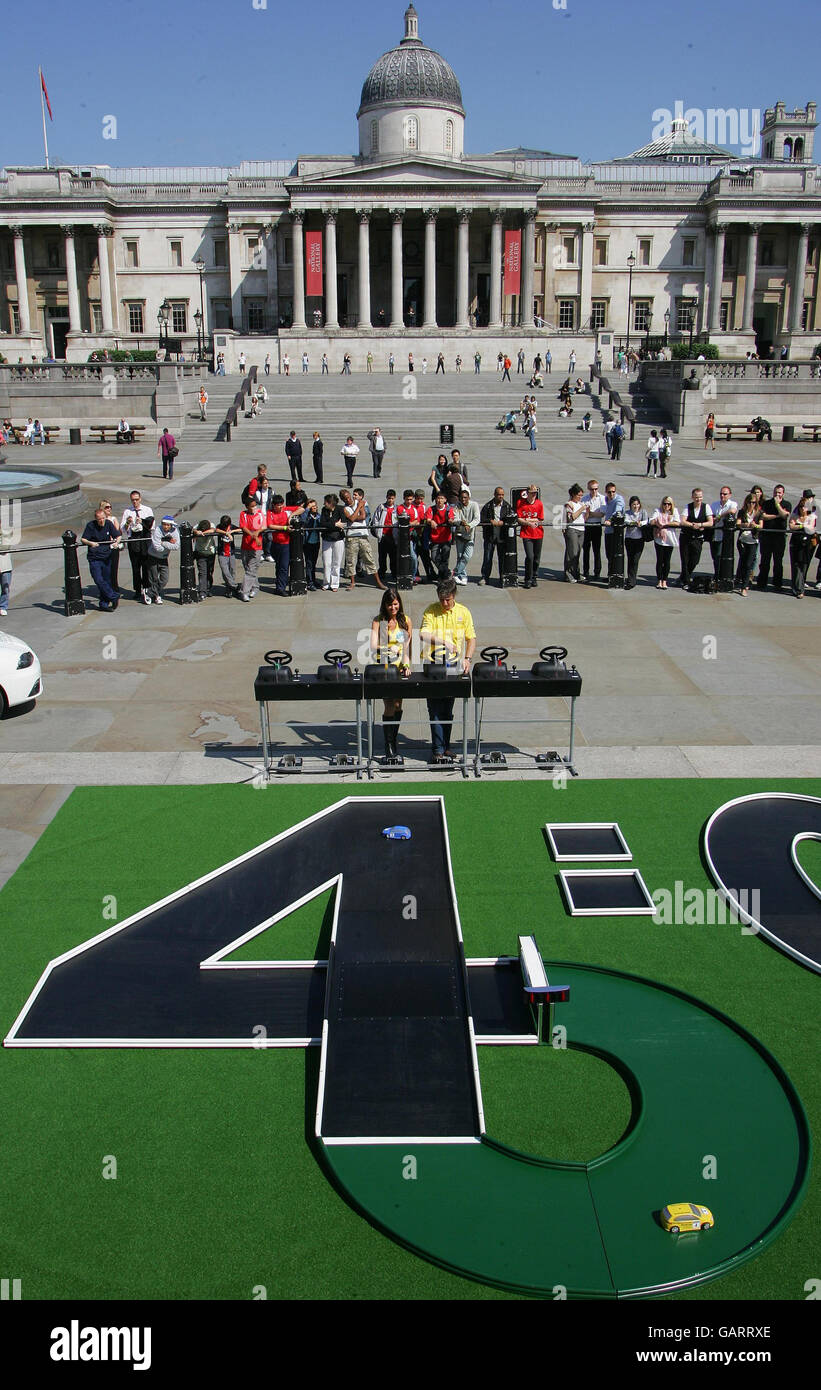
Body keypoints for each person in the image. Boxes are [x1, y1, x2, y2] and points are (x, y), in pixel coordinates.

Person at [420, 578, 476, 763]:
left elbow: (471, 638)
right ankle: (437, 749)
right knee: (435, 708)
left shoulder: (463, 612)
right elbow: (423, 633)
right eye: (442, 599)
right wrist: (444, 642)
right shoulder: (431, 610)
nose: (444, 603)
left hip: (453, 665)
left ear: (454, 596)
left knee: (448, 708)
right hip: (433, 664)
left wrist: (467, 659)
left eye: (448, 600)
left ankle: (447, 746)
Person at [370, 589, 412, 762]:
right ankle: (389, 746)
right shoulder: (378, 621)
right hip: (384, 668)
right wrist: (387, 647)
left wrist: (407, 664)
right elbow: (373, 646)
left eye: (395, 604)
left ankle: (394, 740)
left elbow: (407, 647)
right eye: (390, 604)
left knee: (398, 704)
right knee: (389, 705)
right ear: (385, 605)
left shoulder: (406, 621)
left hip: (399, 668)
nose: (393, 607)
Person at [342, 488, 384, 591]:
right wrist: (358, 508)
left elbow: (363, 516)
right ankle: (352, 582)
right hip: (351, 536)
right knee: (351, 560)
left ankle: (378, 582)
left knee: (369, 558)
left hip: (362, 534)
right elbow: (351, 518)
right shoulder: (345, 508)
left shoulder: (360, 502)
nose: (347, 500)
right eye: (344, 499)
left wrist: (356, 513)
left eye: (348, 497)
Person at [81, 505, 121, 611]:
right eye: (99, 519)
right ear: (96, 519)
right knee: (98, 579)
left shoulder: (108, 523)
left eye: (103, 518)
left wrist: (117, 542)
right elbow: (83, 539)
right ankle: (113, 596)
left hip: (107, 556)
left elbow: (118, 535)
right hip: (95, 557)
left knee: (107, 580)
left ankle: (104, 604)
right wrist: (91, 543)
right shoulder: (90, 526)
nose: (102, 521)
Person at [120, 490, 154, 602]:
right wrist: (128, 523)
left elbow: (152, 525)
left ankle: (146, 587)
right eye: (133, 500)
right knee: (135, 567)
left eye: (136, 499)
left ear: (140, 499)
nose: (135, 502)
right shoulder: (127, 511)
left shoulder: (147, 510)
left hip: (144, 538)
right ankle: (137, 590)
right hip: (133, 540)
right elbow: (122, 529)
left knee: (145, 565)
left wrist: (142, 521)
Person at [756, 484, 791, 591]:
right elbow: (763, 516)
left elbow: (785, 515)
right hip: (767, 535)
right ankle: (762, 582)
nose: (777, 494)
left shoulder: (786, 504)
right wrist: (776, 516)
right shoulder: (767, 503)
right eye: (775, 492)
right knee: (765, 560)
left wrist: (777, 505)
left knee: (778, 561)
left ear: (783, 493)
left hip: (779, 536)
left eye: (779, 493)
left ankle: (777, 583)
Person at [679, 487, 713, 588]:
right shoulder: (688, 507)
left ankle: (683, 576)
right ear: (692, 497)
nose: (698, 499)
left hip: (698, 538)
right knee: (685, 560)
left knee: (695, 559)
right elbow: (683, 520)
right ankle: (686, 581)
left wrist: (701, 524)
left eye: (700, 497)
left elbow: (710, 522)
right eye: (696, 497)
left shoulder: (706, 507)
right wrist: (692, 525)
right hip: (686, 537)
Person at [145, 515, 180, 605]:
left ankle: (148, 592)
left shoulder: (175, 531)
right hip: (153, 556)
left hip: (164, 558)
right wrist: (168, 542)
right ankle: (156, 596)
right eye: (165, 525)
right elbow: (157, 547)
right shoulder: (158, 530)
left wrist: (163, 542)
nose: (166, 527)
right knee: (154, 578)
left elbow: (176, 546)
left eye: (168, 525)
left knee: (164, 579)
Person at [479, 487, 510, 586]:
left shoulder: (507, 506)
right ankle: (485, 577)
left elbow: (512, 518)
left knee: (502, 558)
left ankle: (502, 577)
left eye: (502, 495)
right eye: (498, 495)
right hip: (490, 536)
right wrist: (490, 521)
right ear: (494, 495)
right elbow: (482, 518)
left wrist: (503, 522)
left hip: (502, 537)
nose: (500, 497)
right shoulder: (488, 506)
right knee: (487, 557)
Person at [238, 496, 266, 602]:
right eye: (252, 506)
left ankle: (244, 592)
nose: (254, 508)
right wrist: (253, 535)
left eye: (255, 506)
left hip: (257, 548)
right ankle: (255, 587)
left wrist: (257, 533)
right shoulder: (243, 514)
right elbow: (243, 527)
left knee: (251, 570)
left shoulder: (259, 514)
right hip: (245, 545)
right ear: (247, 507)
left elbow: (263, 526)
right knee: (248, 569)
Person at [650, 494, 680, 590]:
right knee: (660, 560)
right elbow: (651, 520)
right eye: (665, 504)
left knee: (667, 561)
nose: (667, 506)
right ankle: (659, 580)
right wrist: (657, 522)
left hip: (669, 539)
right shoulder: (657, 511)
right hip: (659, 539)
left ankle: (664, 580)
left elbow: (678, 522)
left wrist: (666, 523)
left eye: (669, 504)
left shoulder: (674, 511)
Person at [735, 493, 763, 596]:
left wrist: (754, 525)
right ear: (746, 502)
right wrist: (746, 525)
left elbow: (761, 526)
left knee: (748, 564)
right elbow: (738, 524)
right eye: (750, 502)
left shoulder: (759, 513)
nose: (751, 504)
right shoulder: (742, 512)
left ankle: (744, 586)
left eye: (754, 503)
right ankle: (740, 580)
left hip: (753, 540)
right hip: (743, 540)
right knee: (742, 562)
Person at [517, 484, 544, 588]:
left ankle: (534, 576)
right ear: (527, 493)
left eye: (535, 493)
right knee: (530, 556)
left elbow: (540, 518)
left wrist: (528, 519)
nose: (533, 495)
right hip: (527, 533)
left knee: (536, 558)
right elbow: (519, 517)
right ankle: (527, 578)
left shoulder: (539, 504)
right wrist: (528, 522)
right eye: (532, 493)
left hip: (538, 533)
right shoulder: (521, 503)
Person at [453, 488, 480, 585]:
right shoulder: (457, 506)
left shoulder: (474, 505)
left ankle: (455, 573)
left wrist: (469, 525)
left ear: (469, 498)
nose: (463, 499)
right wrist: (461, 522)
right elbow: (455, 518)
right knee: (460, 556)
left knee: (467, 556)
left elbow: (477, 519)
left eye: (465, 497)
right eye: (461, 498)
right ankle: (463, 576)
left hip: (470, 536)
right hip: (460, 535)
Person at [319, 493, 346, 591]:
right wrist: (335, 524)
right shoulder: (324, 510)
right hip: (327, 539)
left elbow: (342, 523)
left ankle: (334, 584)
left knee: (336, 562)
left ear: (331, 503)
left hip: (338, 539)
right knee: (326, 562)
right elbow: (322, 523)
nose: (324, 504)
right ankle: (326, 582)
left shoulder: (340, 509)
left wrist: (330, 524)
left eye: (326, 502)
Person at [267, 493, 292, 597]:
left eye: (282, 504)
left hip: (286, 543)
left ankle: (281, 587)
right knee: (279, 566)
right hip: (276, 543)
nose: (280, 507)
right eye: (278, 505)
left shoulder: (286, 511)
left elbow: (302, 508)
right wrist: (285, 528)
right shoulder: (270, 513)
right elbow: (270, 525)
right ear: (273, 505)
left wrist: (291, 516)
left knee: (284, 566)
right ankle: (279, 585)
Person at [710, 486, 738, 580]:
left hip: (724, 536)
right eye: (721, 494)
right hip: (714, 534)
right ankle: (717, 574)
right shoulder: (714, 504)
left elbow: (732, 511)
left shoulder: (732, 504)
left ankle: (719, 576)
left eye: (725, 494)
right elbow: (710, 517)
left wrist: (719, 516)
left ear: (729, 495)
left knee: (719, 556)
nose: (722, 496)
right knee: (715, 557)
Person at [372, 488, 398, 583]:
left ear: (394, 498)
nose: (390, 500)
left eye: (392, 498)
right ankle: (382, 572)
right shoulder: (381, 507)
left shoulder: (397, 508)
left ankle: (394, 572)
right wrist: (378, 532)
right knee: (382, 556)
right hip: (383, 536)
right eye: (389, 498)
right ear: (386, 498)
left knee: (393, 556)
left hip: (393, 536)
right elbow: (375, 520)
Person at [427, 493, 455, 580]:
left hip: (446, 538)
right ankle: (447, 572)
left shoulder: (449, 509)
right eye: (438, 498)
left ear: (445, 500)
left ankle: (443, 578)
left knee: (445, 559)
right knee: (434, 557)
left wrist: (451, 521)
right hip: (435, 538)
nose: (439, 500)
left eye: (442, 498)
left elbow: (451, 518)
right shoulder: (431, 509)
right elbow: (428, 519)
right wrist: (431, 521)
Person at [582, 479, 605, 582]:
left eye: (596, 489)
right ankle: (586, 571)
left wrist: (590, 513)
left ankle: (597, 572)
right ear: (588, 489)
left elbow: (602, 514)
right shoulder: (584, 499)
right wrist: (592, 514)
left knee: (596, 550)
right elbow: (583, 515)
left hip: (596, 526)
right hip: (587, 526)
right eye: (592, 489)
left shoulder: (602, 498)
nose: (594, 491)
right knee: (586, 550)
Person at [624, 496, 649, 589]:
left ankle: (632, 580)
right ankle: (631, 580)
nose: (636, 506)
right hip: (629, 539)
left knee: (635, 560)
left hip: (639, 539)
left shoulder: (643, 512)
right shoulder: (627, 513)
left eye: (637, 504)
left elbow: (646, 521)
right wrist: (634, 523)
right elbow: (626, 521)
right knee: (630, 559)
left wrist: (641, 523)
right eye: (633, 504)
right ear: (630, 505)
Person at [563, 485, 586, 582]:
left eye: (581, 495)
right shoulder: (569, 504)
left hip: (581, 529)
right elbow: (571, 517)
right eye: (578, 495)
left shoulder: (581, 504)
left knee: (577, 553)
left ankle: (576, 573)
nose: (580, 497)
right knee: (572, 552)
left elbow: (585, 518)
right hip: (572, 529)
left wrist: (587, 510)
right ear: (573, 494)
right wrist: (581, 509)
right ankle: (568, 573)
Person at [601, 482, 626, 572]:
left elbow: (617, 511)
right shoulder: (606, 499)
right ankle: (610, 574)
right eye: (609, 492)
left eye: (613, 492)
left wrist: (610, 520)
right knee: (608, 554)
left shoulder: (619, 500)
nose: (611, 494)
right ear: (606, 492)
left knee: (615, 555)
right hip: (608, 531)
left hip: (616, 531)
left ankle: (614, 575)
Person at [215, 515, 241, 597]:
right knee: (225, 572)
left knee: (232, 571)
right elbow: (216, 529)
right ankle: (235, 586)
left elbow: (240, 529)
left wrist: (231, 532)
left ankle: (229, 589)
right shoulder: (219, 527)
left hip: (231, 553)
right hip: (222, 553)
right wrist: (226, 533)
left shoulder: (231, 527)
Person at [193, 519, 217, 598]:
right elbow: (193, 529)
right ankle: (202, 592)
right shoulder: (197, 527)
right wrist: (196, 532)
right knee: (202, 572)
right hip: (200, 553)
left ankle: (208, 589)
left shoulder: (211, 525)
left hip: (210, 553)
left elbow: (213, 530)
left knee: (209, 572)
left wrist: (203, 533)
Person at [301, 498, 321, 590]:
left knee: (314, 562)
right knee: (309, 562)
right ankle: (309, 581)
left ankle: (313, 579)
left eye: (315, 506)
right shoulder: (306, 516)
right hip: (307, 542)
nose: (315, 508)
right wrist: (307, 509)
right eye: (312, 506)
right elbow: (303, 521)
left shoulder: (318, 516)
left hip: (316, 541)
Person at [0, 524, 13, 617]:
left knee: (6, 587)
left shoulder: (6, 532)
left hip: (5, 565)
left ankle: (3, 607)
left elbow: (5, 547)